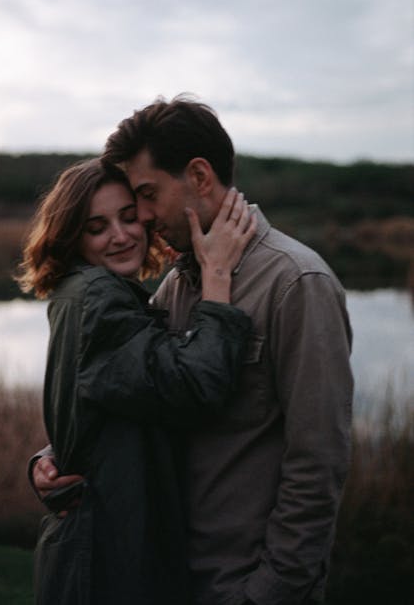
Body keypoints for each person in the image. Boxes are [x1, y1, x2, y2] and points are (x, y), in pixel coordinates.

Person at [32, 97, 354, 605]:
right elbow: (134, 389)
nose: (140, 216)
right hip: (168, 574)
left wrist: (272, 589)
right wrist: (54, 460)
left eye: (146, 194)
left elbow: (318, 462)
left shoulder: (297, 282)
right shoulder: (181, 282)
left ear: (200, 176)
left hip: (243, 583)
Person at [17, 156, 256, 605]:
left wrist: (48, 458)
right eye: (97, 227)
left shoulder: (78, 293)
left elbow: (101, 399)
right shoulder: (99, 299)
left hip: (95, 549)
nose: (121, 235)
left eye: (130, 218)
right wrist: (217, 277)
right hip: (107, 562)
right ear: (72, 237)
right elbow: (194, 387)